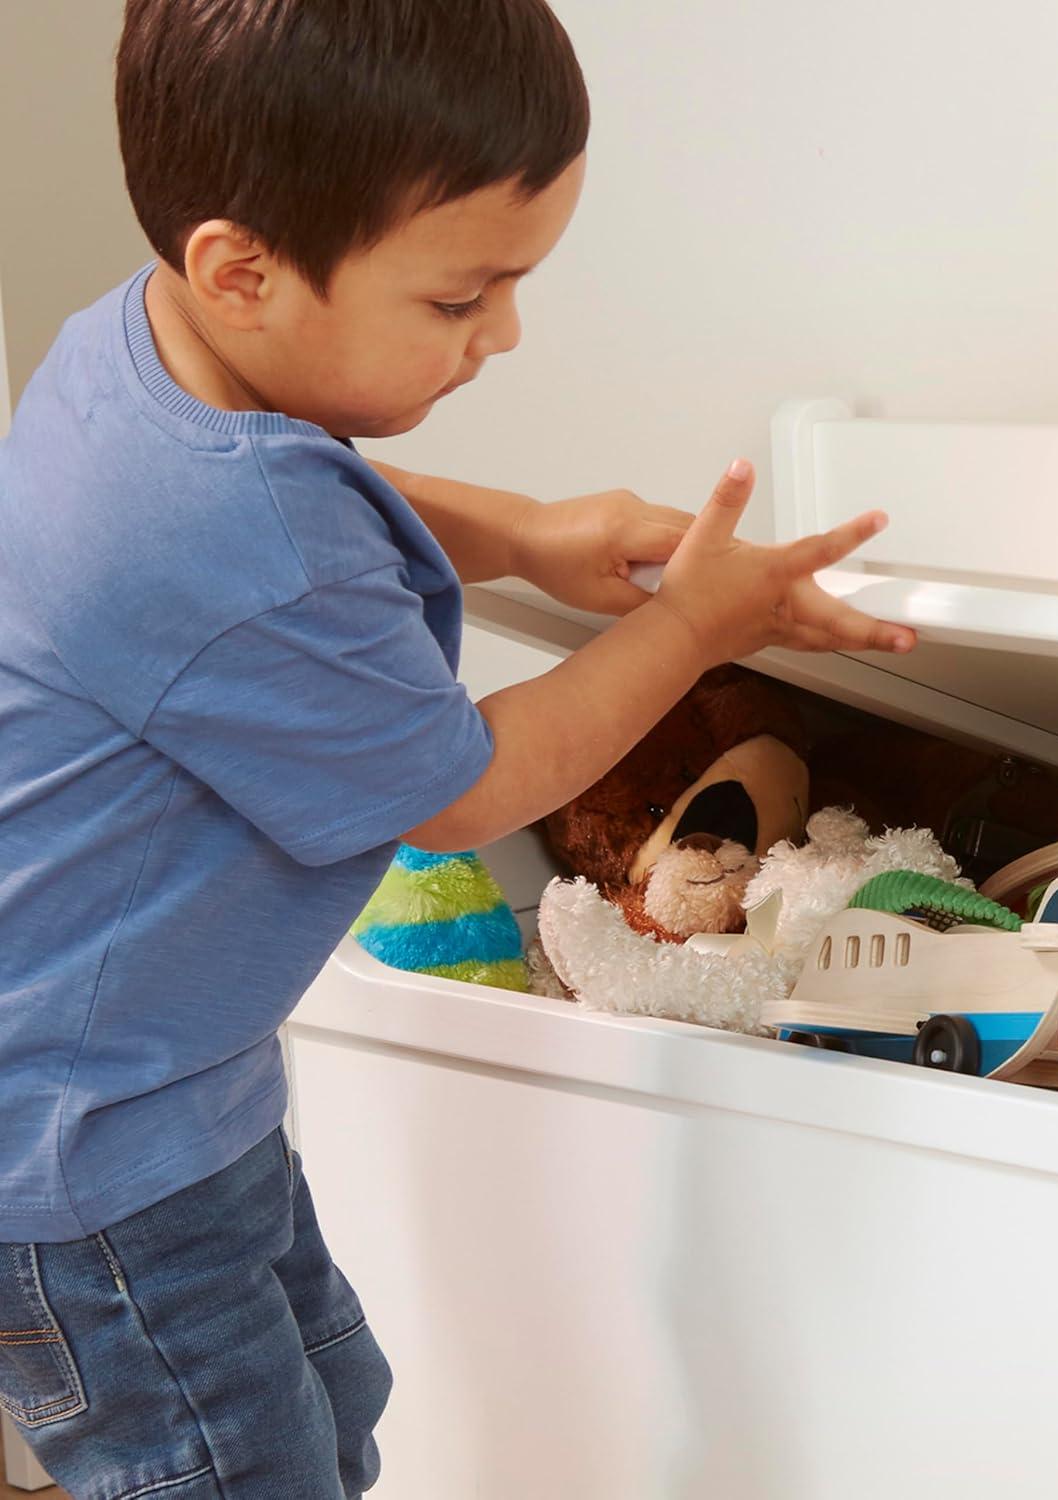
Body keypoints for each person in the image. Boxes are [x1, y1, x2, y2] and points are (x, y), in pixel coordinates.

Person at [0, 1, 914, 1494]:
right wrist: (688, 629)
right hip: (97, 1162)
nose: (501, 335)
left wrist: (526, 534)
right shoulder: (224, 527)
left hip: (148, 1101)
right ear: (243, 268)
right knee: (234, 1469)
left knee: (323, 1413)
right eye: (458, 301)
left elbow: (320, 488)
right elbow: (468, 788)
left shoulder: (143, 354)